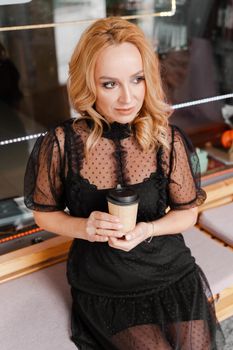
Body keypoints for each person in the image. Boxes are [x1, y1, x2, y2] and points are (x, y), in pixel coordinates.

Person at [24, 17, 225, 350]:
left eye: (137, 79)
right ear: (88, 84)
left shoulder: (167, 139)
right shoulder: (62, 143)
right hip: (105, 282)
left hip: (170, 271)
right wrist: (84, 227)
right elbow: (44, 215)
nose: (127, 98)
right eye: (109, 84)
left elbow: (187, 214)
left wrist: (148, 230)